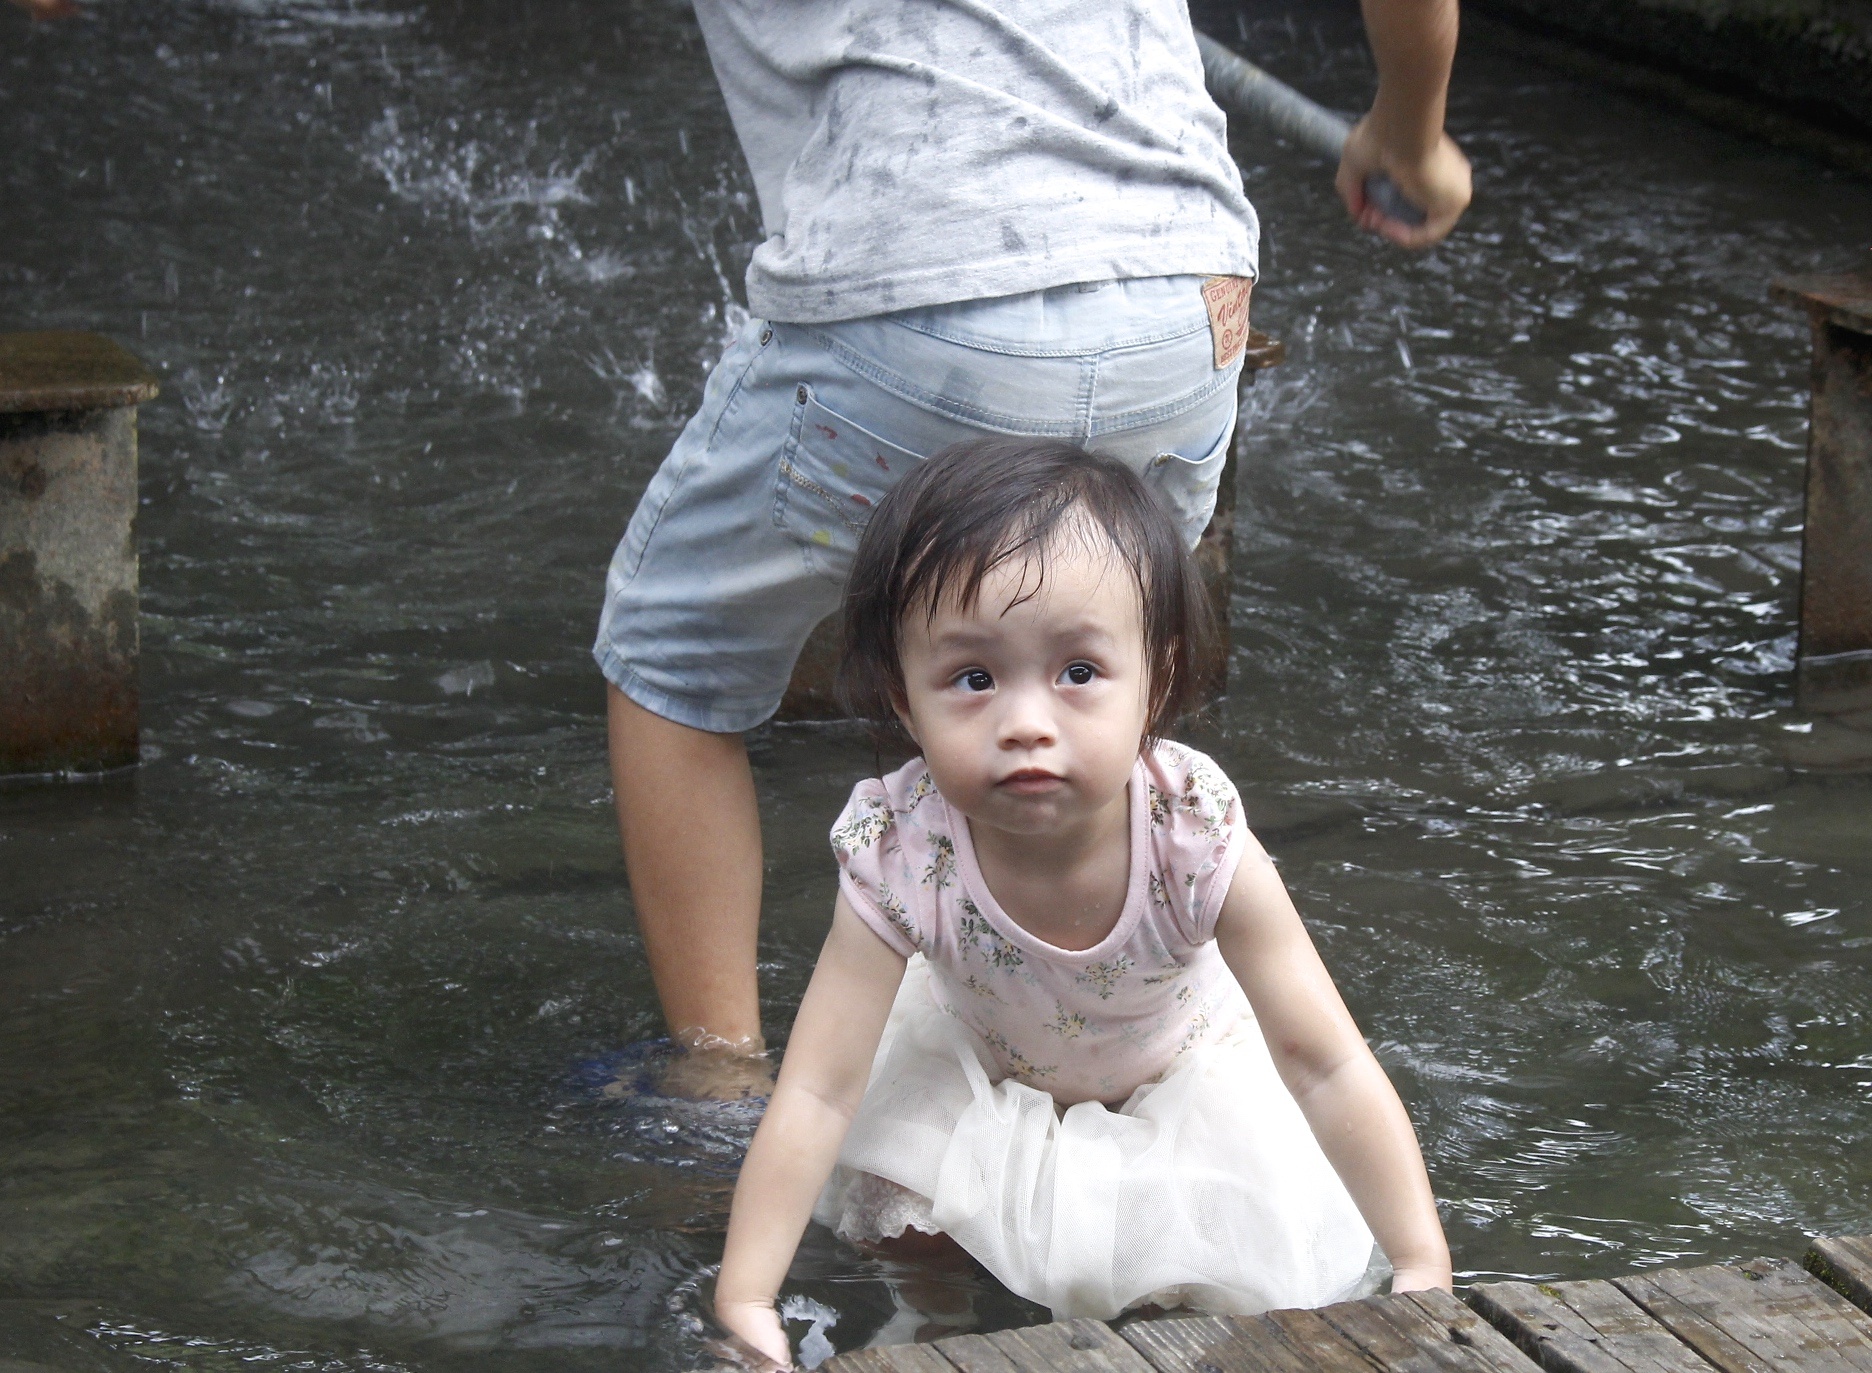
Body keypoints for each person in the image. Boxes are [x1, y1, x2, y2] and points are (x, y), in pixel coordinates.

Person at [595, 0, 1471, 1095]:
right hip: (1184, 299)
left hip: (922, 295)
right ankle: (1108, 1048)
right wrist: (1409, 128)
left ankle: (719, 1084)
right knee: (1101, 664)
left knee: (673, 662)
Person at [713, 440, 1452, 1363]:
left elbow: (1325, 1061)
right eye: (973, 679)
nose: (1027, 721)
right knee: (908, 1216)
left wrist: (1421, 1258)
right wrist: (746, 1293)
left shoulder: (1193, 831)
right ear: (906, 702)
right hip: (980, 1070)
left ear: (1158, 681)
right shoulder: (902, 849)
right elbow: (819, 1088)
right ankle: (932, 1324)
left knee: (1193, 1277)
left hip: (1171, 1078)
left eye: (1078, 672)